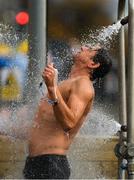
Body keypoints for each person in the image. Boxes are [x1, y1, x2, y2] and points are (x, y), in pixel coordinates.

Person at [22, 45, 112, 179]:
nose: (83, 46)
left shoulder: (83, 85)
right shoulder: (69, 83)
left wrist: (52, 88)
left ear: (93, 64)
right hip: (37, 162)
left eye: (90, 49)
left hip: (51, 164)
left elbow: (69, 123)